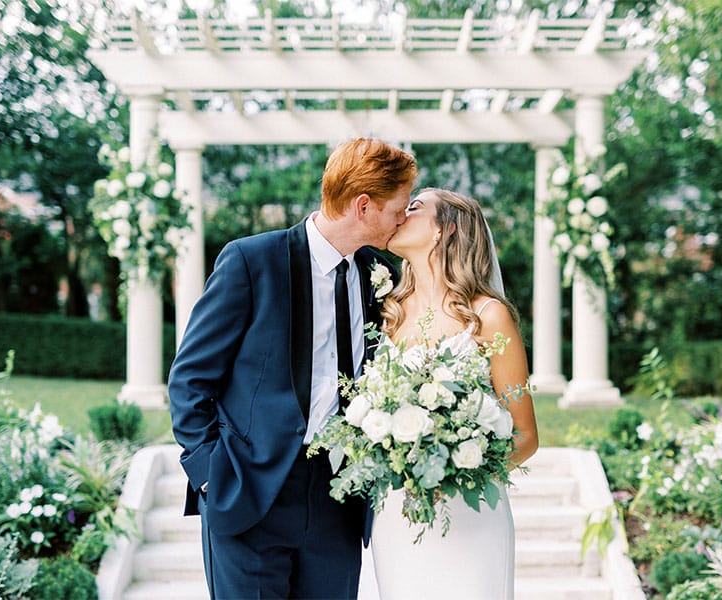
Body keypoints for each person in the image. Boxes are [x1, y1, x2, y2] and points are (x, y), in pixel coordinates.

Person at [168, 137, 418, 600]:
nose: (403, 220)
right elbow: (189, 379)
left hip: (338, 498)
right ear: (363, 206)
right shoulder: (251, 261)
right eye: (399, 208)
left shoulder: (376, 276)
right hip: (250, 493)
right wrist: (209, 474)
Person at [365, 188, 539, 600]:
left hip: (469, 514)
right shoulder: (386, 315)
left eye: (414, 207)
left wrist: (456, 475)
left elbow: (527, 436)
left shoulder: (488, 316)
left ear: (445, 229)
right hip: (397, 515)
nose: (400, 213)